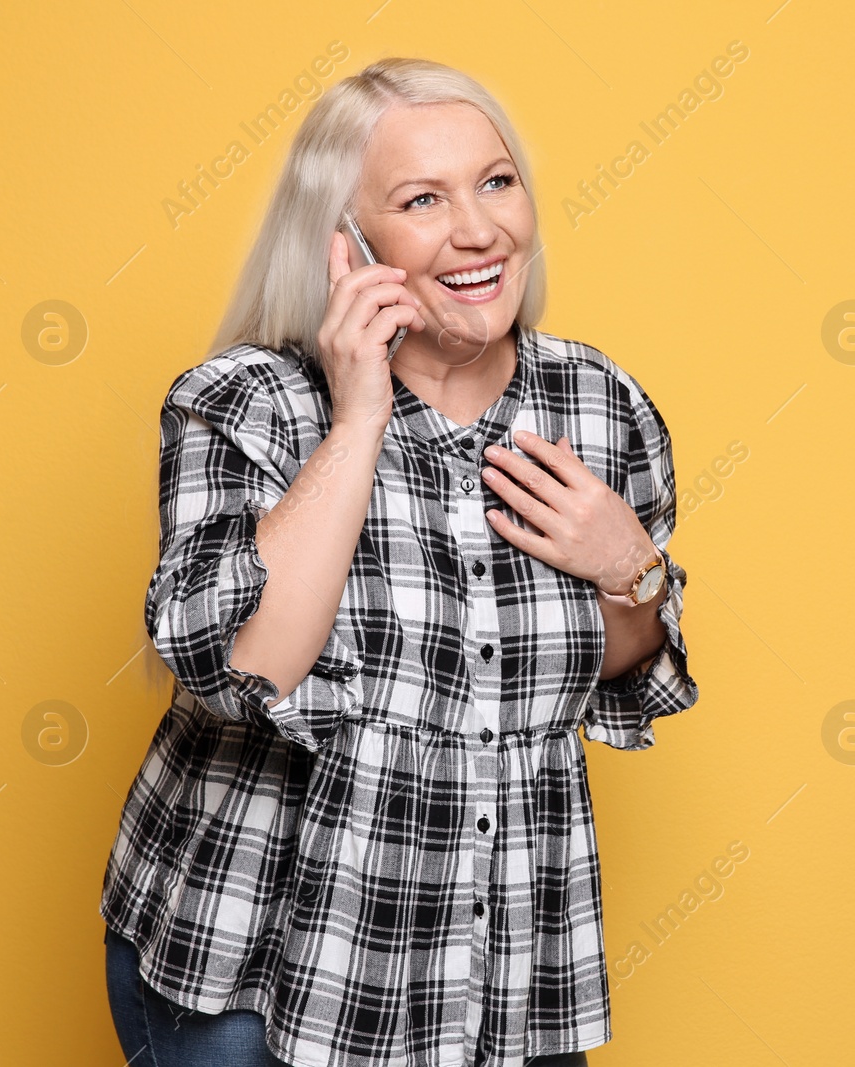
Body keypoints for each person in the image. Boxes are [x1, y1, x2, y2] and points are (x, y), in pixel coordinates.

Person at [98, 56, 700, 1067]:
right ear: (347, 244)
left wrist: (628, 568)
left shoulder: (600, 404)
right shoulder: (245, 404)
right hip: (256, 970)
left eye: (495, 182)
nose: (478, 230)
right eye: (423, 199)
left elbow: (615, 664)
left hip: (500, 973)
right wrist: (361, 415)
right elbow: (248, 669)